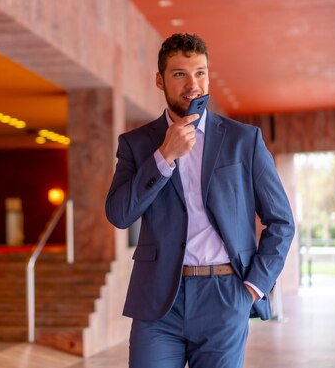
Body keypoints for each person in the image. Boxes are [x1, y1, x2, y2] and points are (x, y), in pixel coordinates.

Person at [105, 33, 295, 368]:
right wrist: (164, 157)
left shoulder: (243, 140)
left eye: (200, 73)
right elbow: (120, 214)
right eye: (180, 74)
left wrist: (252, 287)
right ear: (159, 80)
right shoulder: (136, 144)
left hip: (225, 294)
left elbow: (281, 221)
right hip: (158, 300)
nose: (193, 84)